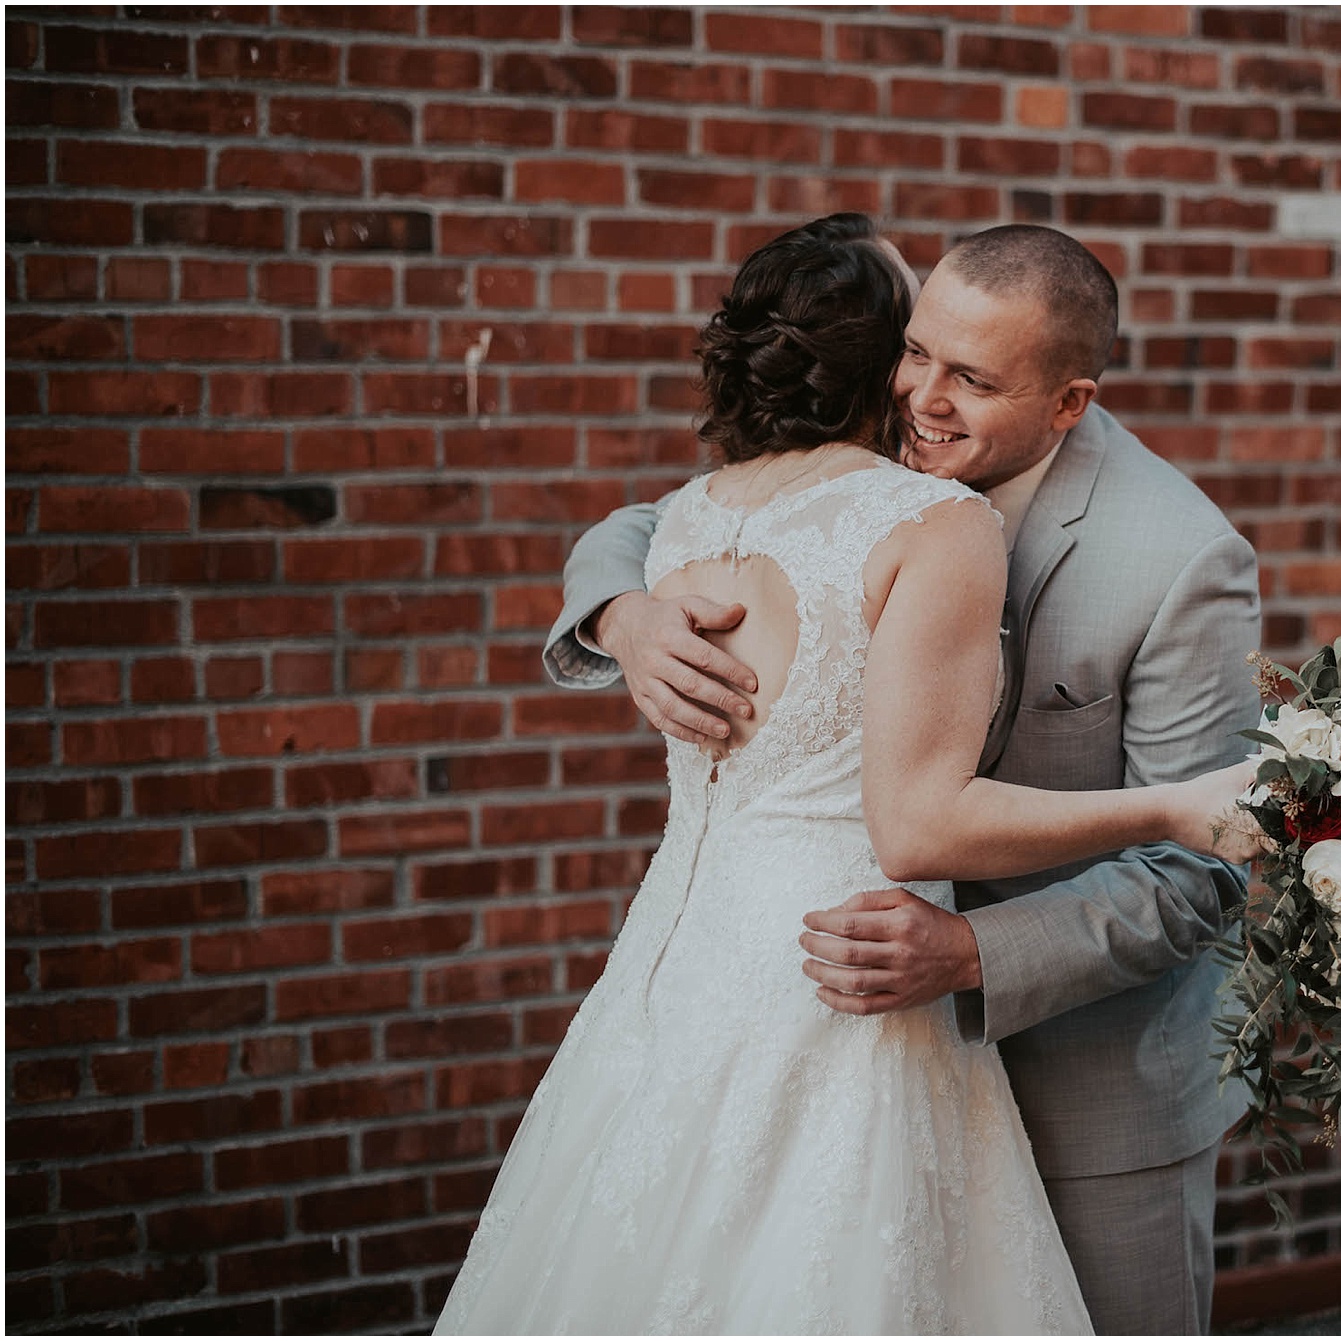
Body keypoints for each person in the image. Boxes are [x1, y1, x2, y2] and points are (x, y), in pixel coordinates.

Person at [436, 214, 1254, 1335]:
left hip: (1084, 1079)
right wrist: (620, 617)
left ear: (1069, 402)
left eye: (972, 379)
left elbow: (1198, 870)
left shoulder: (1178, 557)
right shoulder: (868, 483)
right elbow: (654, 521)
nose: (921, 396)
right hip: (812, 1032)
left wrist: (974, 951)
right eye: (915, 352)